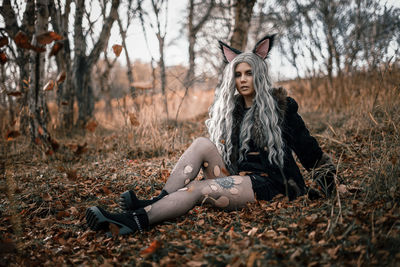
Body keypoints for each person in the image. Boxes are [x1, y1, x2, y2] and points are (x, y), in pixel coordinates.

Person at [86, 34, 337, 236]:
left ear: (259, 74)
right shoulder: (234, 111)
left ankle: (136, 221)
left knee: (196, 189)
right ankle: (156, 201)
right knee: (201, 143)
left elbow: (308, 149)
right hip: (241, 179)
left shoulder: (282, 106)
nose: (243, 79)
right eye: (238, 74)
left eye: (249, 73)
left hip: (272, 185)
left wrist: (331, 184)